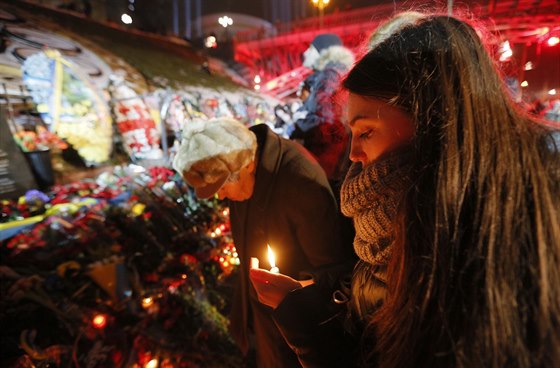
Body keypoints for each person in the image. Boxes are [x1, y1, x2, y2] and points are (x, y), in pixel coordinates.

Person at [249, 12, 560, 368]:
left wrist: (308, 327)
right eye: (351, 133)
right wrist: (307, 307)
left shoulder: (482, 250)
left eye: (365, 132)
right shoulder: (396, 222)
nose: (352, 155)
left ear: (433, 119)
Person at [172, 117, 353, 367]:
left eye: (221, 186)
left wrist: (290, 293)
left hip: (297, 331)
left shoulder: (300, 184)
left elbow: (332, 272)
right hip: (265, 323)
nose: (220, 195)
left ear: (245, 166)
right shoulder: (246, 173)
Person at [290, 33, 354, 183]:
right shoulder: (335, 74)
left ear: (323, 52)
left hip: (323, 156)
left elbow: (324, 118)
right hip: (330, 156)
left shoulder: (329, 76)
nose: (305, 52)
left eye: (311, 48)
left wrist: (297, 128)